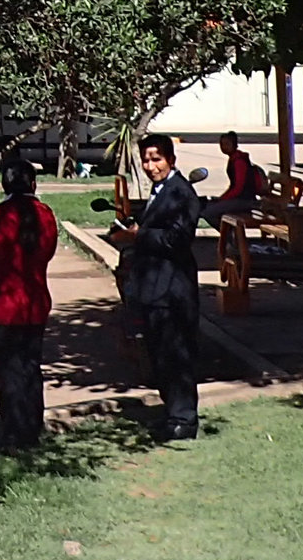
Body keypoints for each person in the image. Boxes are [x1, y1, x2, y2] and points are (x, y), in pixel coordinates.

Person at [110, 131, 204, 442]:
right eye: (147, 160)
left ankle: (184, 419)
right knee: (160, 355)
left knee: (176, 355)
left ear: (171, 160)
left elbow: (176, 239)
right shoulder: (159, 191)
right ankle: (171, 414)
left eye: (157, 159)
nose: (151, 166)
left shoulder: (181, 193)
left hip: (173, 290)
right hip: (154, 289)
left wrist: (137, 235)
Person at [0, 156, 58, 449]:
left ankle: (13, 432)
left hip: (1, 305)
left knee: (7, 372)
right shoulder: (45, 214)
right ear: (33, 183)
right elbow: (49, 251)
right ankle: (32, 428)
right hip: (34, 302)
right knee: (30, 368)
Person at [202, 130, 268, 223]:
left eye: (227, 144)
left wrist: (223, 199)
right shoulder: (234, 159)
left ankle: (229, 235)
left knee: (208, 212)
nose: (224, 147)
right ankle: (229, 234)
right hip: (240, 198)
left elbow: (238, 188)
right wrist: (222, 198)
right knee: (208, 206)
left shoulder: (239, 162)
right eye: (222, 144)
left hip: (245, 200)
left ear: (235, 144)